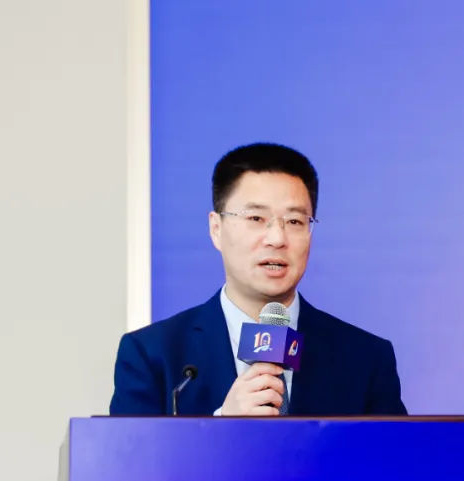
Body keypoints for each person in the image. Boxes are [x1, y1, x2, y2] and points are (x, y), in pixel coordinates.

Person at [108, 142, 408, 417]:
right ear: (216, 229)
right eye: (256, 218)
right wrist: (221, 426)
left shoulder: (365, 358)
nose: (277, 238)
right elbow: (133, 458)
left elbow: (397, 458)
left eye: (294, 221)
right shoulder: (151, 355)